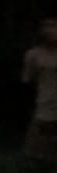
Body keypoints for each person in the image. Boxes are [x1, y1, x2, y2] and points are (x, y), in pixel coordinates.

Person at [21, 17, 57, 163]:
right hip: (43, 109)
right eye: (48, 27)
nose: (52, 31)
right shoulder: (33, 55)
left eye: (54, 27)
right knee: (37, 154)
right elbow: (27, 81)